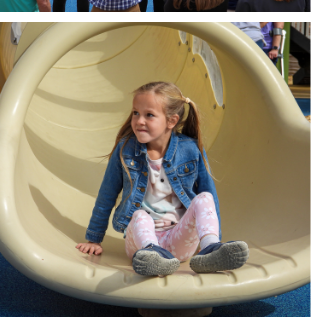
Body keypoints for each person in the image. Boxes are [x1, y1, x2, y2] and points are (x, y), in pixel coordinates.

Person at [75, 82, 246, 278]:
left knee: (205, 197)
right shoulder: (126, 149)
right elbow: (107, 194)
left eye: (149, 115)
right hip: (141, 245)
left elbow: (210, 196)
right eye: (135, 113)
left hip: (178, 240)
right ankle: (154, 257)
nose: (139, 121)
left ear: (171, 121)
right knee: (139, 216)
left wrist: (214, 236)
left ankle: (211, 250)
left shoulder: (190, 149)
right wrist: (94, 239)